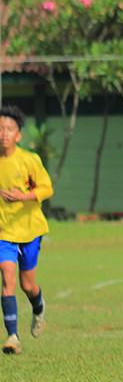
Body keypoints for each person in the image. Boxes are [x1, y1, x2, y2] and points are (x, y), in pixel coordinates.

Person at [0, 105, 53, 355]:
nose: (4, 133)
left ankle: (39, 306)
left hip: (30, 231)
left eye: (9, 129)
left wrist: (24, 196)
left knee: (27, 285)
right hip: (3, 233)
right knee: (7, 279)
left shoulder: (29, 160)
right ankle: (13, 336)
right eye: (0, 128)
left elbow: (46, 189)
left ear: (18, 135)